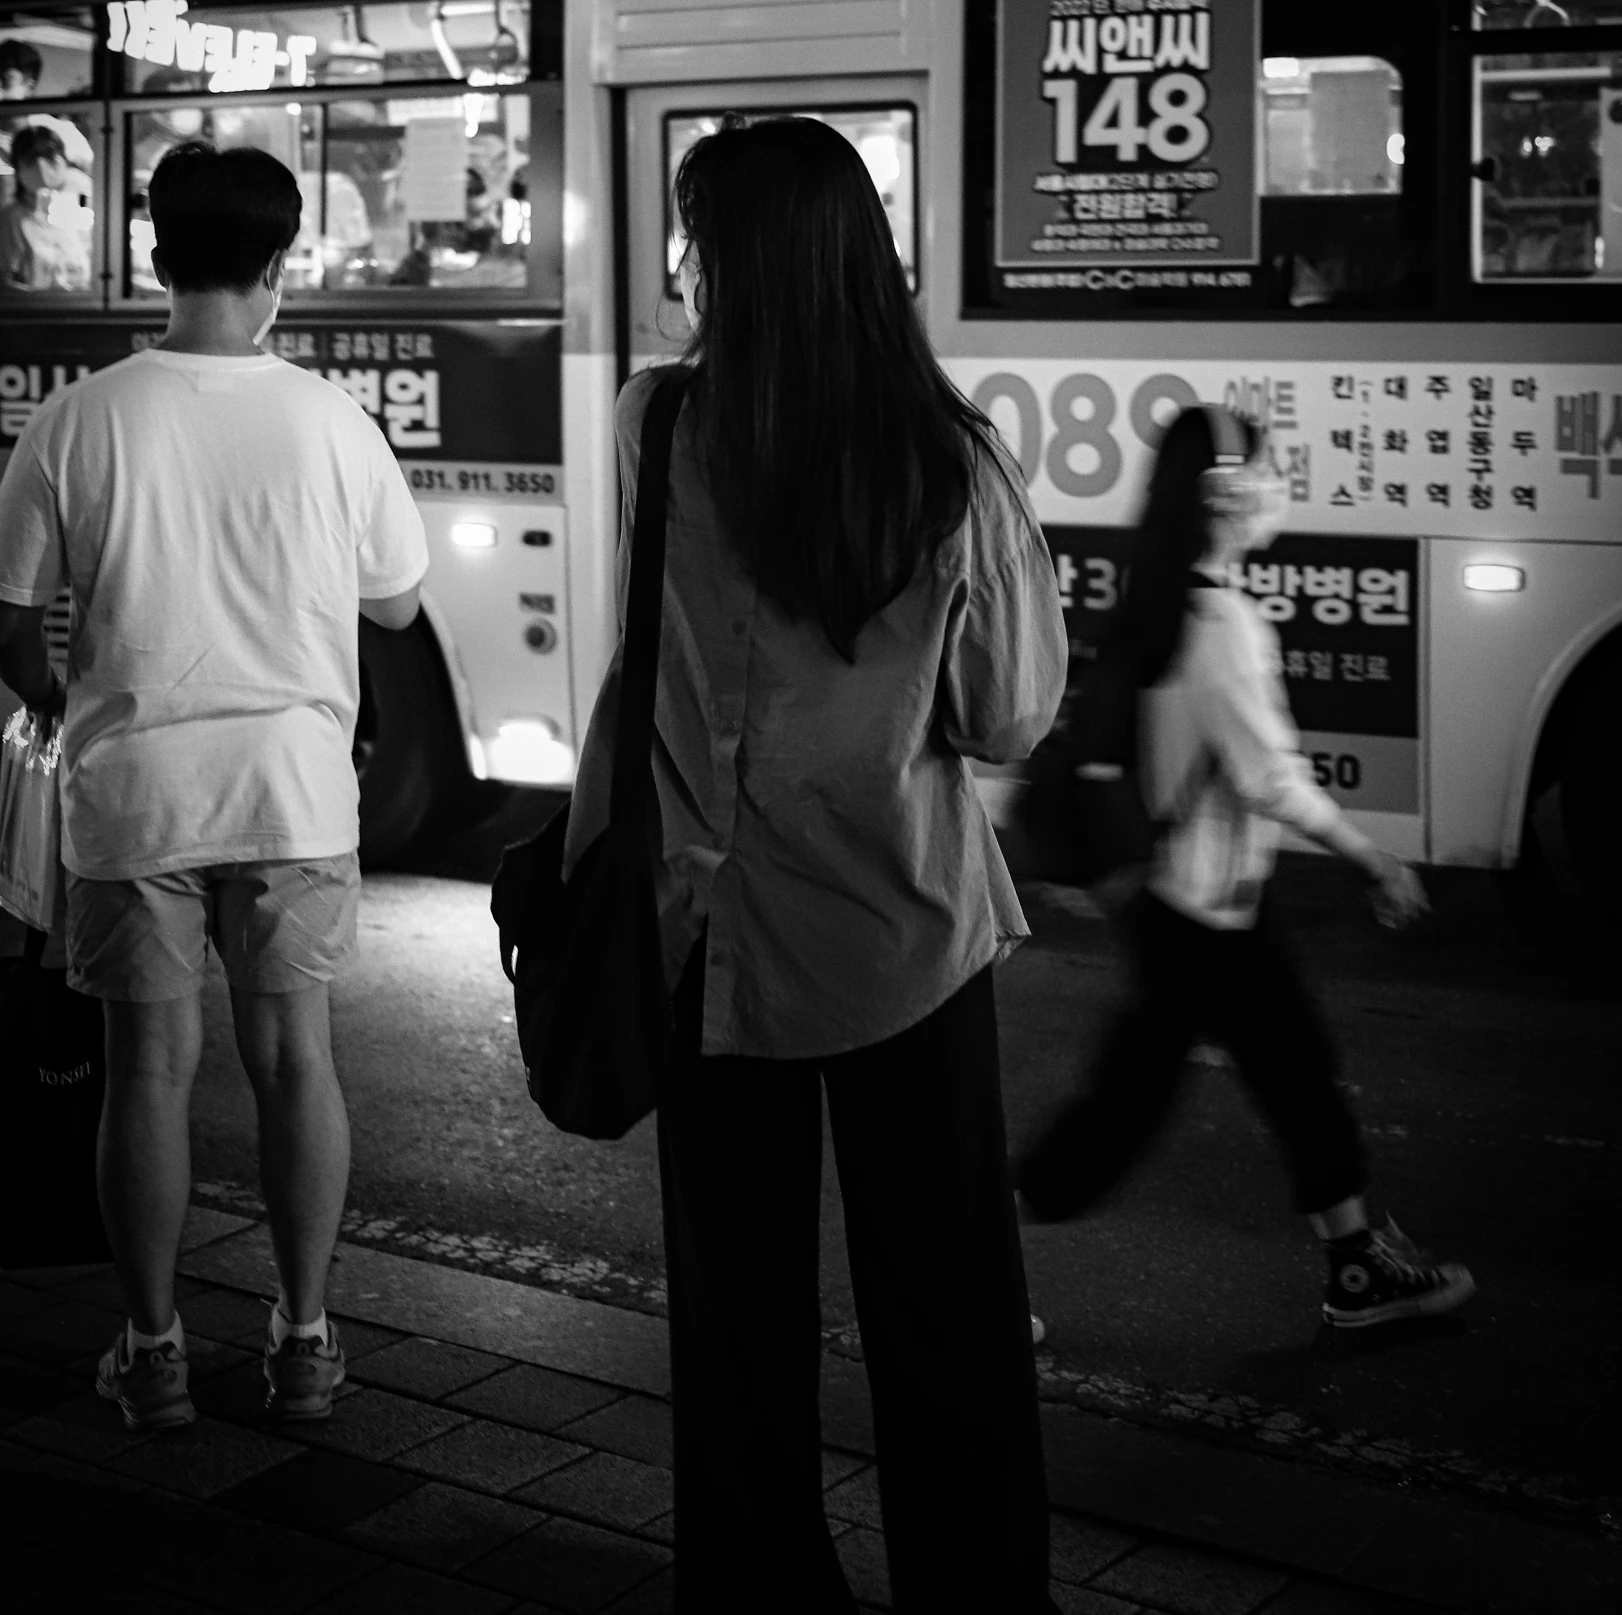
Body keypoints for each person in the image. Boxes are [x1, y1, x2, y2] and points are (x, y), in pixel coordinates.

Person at [564, 116, 1068, 1612]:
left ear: (721, 260)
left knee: (736, 1315)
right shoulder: (947, 458)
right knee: (949, 1307)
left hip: (700, 940)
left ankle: (759, 1584)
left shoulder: (655, 422)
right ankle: (974, 1588)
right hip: (904, 934)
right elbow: (1007, 714)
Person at [0, 141, 428, 1431]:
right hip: (294, 792)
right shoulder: (334, 420)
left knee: (147, 1073)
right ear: (280, 268)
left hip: (135, 797)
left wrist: (59, 703)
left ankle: (156, 1350)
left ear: (153, 254)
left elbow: (11, 617)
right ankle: (303, 1343)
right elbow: (398, 608)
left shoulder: (79, 416)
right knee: (297, 1061)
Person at [1014, 405, 1475, 1332]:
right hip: (1192, 909)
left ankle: (1354, 1264)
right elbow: (1270, 780)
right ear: (1223, 494)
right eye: (1270, 471)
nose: (1280, 488)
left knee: (1296, 1067)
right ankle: (962, 1262)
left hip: (1215, 901)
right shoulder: (1220, 624)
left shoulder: (1175, 600)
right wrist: (1372, 855)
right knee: (1123, 1112)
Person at [0, 122, 92, 291]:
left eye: (49, 155)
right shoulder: (11, 220)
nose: (41, 164)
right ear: (18, 166)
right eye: (31, 158)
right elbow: (5, 286)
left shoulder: (81, 214)